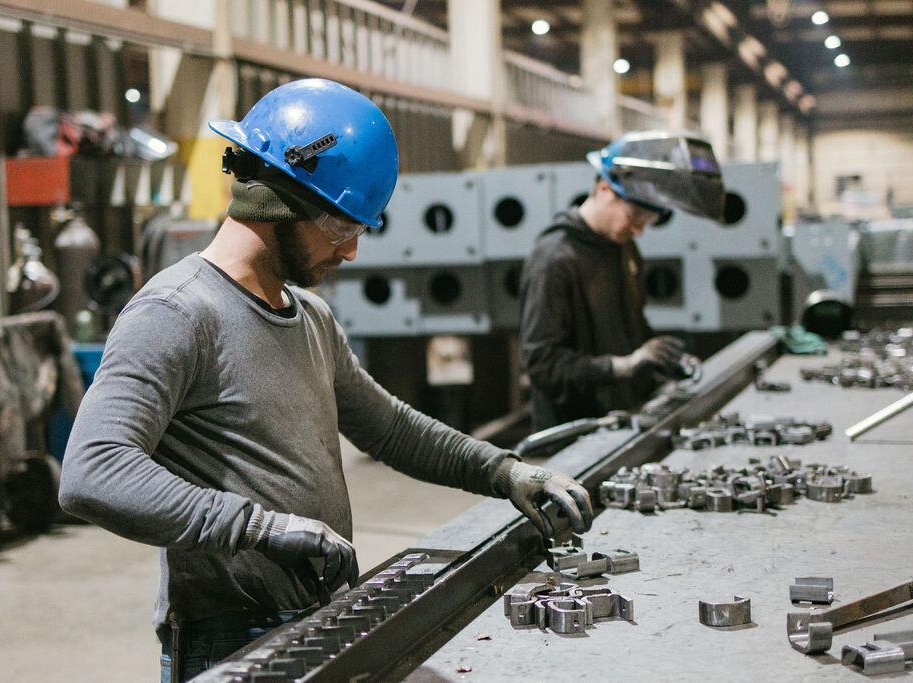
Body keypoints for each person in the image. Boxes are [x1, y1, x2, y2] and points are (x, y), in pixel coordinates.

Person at [57, 78, 593, 683]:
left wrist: (504, 472)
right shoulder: (177, 312)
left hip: (319, 617)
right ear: (279, 202)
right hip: (229, 638)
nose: (351, 252)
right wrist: (260, 527)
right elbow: (94, 471)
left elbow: (391, 428)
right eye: (341, 228)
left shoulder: (310, 316)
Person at [519, 131, 725, 432]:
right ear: (605, 189)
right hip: (572, 432)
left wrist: (660, 360)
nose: (639, 231)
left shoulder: (622, 247)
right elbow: (541, 364)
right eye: (635, 217)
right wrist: (623, 366)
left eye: (648, 222)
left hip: (620, 420)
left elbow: (629, 327)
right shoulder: (554, 260)